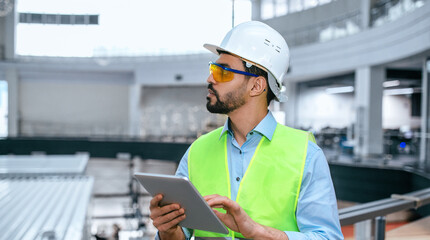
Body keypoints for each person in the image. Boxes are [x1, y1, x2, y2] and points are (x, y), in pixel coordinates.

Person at [149, 21, 343, 240]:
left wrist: (257, 232)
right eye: (213, 68)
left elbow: (328, 237)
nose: (210, 79)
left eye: (222, 72)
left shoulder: (306, 155)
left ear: (256, 86)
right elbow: (180, 236)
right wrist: (168, 229)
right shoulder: (197, 151)